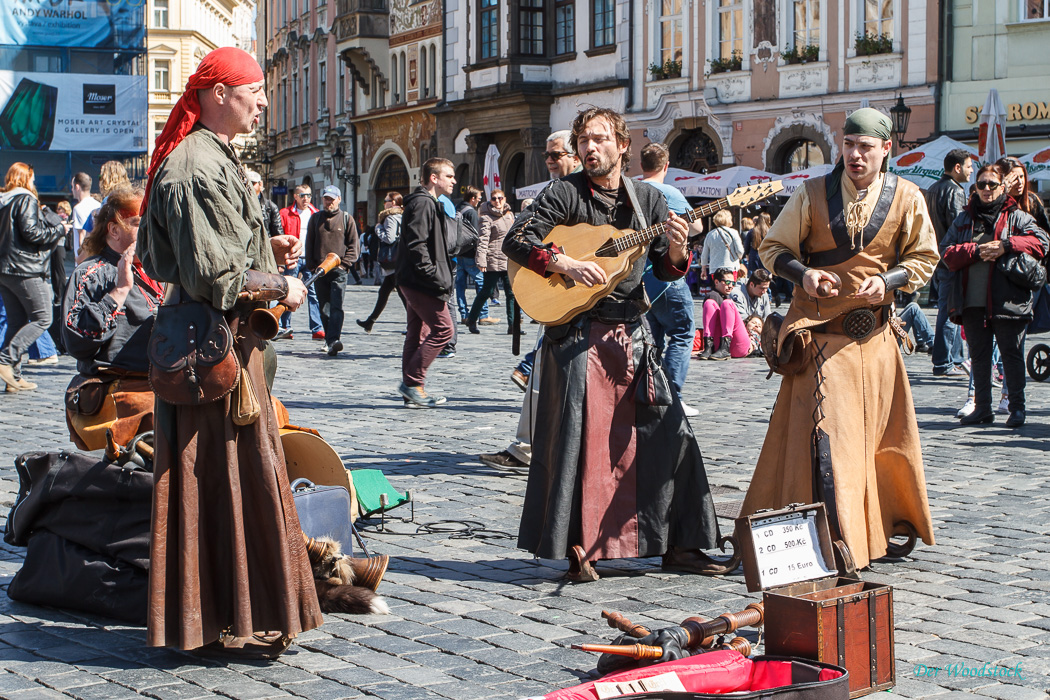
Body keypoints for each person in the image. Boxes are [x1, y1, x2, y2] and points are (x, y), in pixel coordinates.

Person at [138, 46, 321, 656]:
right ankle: (217, 615)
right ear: (219, 94)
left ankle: (237, 611)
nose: (264, 101)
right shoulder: (194, 166)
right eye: (256, 90)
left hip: (225, 354)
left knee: (235, 481)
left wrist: (264, 248)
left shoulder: (213, 156)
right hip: (208, 358)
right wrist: (278, 284)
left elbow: (214, 253)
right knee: (212, 482)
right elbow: (211, 275)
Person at [502, 107, 721, 581]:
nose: (589, 148)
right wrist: (562, 264)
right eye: (583, 140)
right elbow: (516, 241)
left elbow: (665, 268)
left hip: (632, 336)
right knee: (585, 445)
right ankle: (582, 546)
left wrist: (680, 252)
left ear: (622, 145)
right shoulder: (563, 193)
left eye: (600, 139)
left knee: (670, 434)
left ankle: (681, 544)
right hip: (578, 336)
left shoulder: (648, 201)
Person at [742, 108, 939, 570]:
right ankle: (836, 537)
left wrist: (889, 280)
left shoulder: (908, 196)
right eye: (849, 145)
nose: (854, 155)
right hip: (822, 342)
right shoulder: (811, 193)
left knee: (883, 442)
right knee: (833, 442)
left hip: (877, 343)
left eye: (865, 147)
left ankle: (882, 525)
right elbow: (773, 248)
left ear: (886, 149)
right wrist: (805, 274)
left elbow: (926, 257)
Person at [480, 130, 581, 472]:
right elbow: (519, 239)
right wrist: (558, 262)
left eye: (556, 155)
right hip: (558, 291)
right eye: (547, 156)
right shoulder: (551, 193)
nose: (550, 161)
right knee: (539, 375)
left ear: (576, 156)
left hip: (591, 297)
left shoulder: (596, 192)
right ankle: (525, 447)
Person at [940, 163, 1048, 428]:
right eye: (981, 184)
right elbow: (946, 252)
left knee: (1011, 355)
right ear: (974, 188)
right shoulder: (964, 218)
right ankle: (983, 408)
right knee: (979, 356)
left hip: (1007, 300)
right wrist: (975, 251)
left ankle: (1017, 409)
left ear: (1002, 187)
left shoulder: (1016, 216)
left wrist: (1006, 245)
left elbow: (1041, 241)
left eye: (992, 184)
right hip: (972, 301)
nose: (986, 189)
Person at [62, 188, 161, 450]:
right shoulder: (91, 273)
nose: (151, 230)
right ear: (114, 230)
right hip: (122, 394)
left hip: (163, 386)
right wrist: (118, 292)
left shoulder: (157, 273)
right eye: (139, 223)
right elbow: (76, 340)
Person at [639, 141, 700, 416]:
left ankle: (652, 393)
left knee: (654, 340)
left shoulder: (633, 188)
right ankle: (673, 395)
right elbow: (695, 226)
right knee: (683, 333)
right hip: (667, 278)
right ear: (666, 166)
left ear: (641, 165)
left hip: (642, 281)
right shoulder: (668, 191)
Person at [0, 162, 69, 393]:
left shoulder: (4, 200)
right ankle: (5, 360)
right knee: (43, 318)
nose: (34, 183)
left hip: (6, 270)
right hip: (25, 269)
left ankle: (14, 378)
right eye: (32, 178)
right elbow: (32, 232)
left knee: (16, 322)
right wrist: (59, 230)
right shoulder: (25, 198)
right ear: (25, 178)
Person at [395, 157, 456, 408]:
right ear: (434, 178)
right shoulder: (423, 203)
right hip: (420, 280)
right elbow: (417, 244)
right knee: (444, 330)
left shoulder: (428, 202)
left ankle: (412, 390)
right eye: (449, 176)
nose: (454, 180)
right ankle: (412, 382)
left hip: (413, 278)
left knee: (416, 332)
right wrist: (432, 274)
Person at [926, 149, 973, 377]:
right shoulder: (954, 191)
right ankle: (944, 361)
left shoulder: (934, 188)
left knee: (948, 307)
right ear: (957, 167)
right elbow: (959, 228)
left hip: (937, 257)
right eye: (969, 166)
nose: (971, 171)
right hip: (951, 259)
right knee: (949, 310)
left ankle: (954, 359)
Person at [307, 185, 358, 356]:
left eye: (331, 199)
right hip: (320, 271)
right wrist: (312, 266)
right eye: (325, 199)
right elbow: (309, 243)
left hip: (339, 271)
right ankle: (330, 339)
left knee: (336, 306)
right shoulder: (315, 219)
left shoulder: (346, 219)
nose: (328, 202)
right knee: (323, 308)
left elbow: (353, 246)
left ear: (339, 199)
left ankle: (333, 339)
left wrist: (344, 265)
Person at [466, 189, 516, 335]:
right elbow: (483, 240)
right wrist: (481, 260)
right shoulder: (486, 217)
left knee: (511, 293)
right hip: (493, 260)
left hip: (508, 260)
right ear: (490, 200)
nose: (497, 201)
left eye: (500, 198)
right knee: (486, 292)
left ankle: (512, 325)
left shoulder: (509, 215)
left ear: (505, 199)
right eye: (494, 199)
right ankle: (472, 319)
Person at [278, 184, 322, 340]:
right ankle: (285, 327)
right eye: (302, 195)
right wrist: (280, 260)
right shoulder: (285, 213)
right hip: (292, 258)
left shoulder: (316, 214)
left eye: (309, 195)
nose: (306, 198)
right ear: (295, 196)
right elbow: (280, 236)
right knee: (288, 292)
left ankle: (317, 328)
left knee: (314, 294)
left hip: (310, 259)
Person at [357, 191, 404, 332]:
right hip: (399, 259)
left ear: (393, 203)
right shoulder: (402, 216)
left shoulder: (390, 218)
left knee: (403, 295)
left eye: (386, 200)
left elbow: (389, 238)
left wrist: (378, 228)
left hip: (392, 260)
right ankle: (370, 321)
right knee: (384, 292)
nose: (384, 203)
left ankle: (416, 326)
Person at [696, 268, 753, 360]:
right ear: (716, 282)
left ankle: (709, 347)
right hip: (729, 345)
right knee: (721, 303)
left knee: (724, 303)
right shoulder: (714, 297)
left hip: (733, 344)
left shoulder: (722, 298)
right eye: (727, 282)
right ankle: (713, 346)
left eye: (733, 283)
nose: (730, 286)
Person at [455, 186, 488, 325]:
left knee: (460, 286)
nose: (479, 202)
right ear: (472, 198)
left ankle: (464, 314)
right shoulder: (472, 212)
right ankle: (483, 314)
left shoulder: (457, 208)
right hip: (470, 254)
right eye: (479, 199)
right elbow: (476, 236)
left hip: (457, 253)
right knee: (481, 283)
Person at [700, 209, 743, 281]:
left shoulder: (710, 234)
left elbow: (704, 255)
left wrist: (703, 269)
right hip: (731, 267)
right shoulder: (734, 232)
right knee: (730, 289)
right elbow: (740, 251)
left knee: (718, 289)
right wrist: (739, 257)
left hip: (715, 269)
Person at [71, 172, 101, 261]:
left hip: (84, 260)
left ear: (77, 187)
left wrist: (79, 258)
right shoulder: (98, 205)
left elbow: (82, 237)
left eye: (72, 187)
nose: (72, 190)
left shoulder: (78, 208)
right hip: (97, 256)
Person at [248, 170, 282, 239]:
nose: (249, 186)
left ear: (260, 184)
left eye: (252, 183)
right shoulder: (239, 204)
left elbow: (278, 233)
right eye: (246, 183)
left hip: (264, 246)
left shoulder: (270, 206)